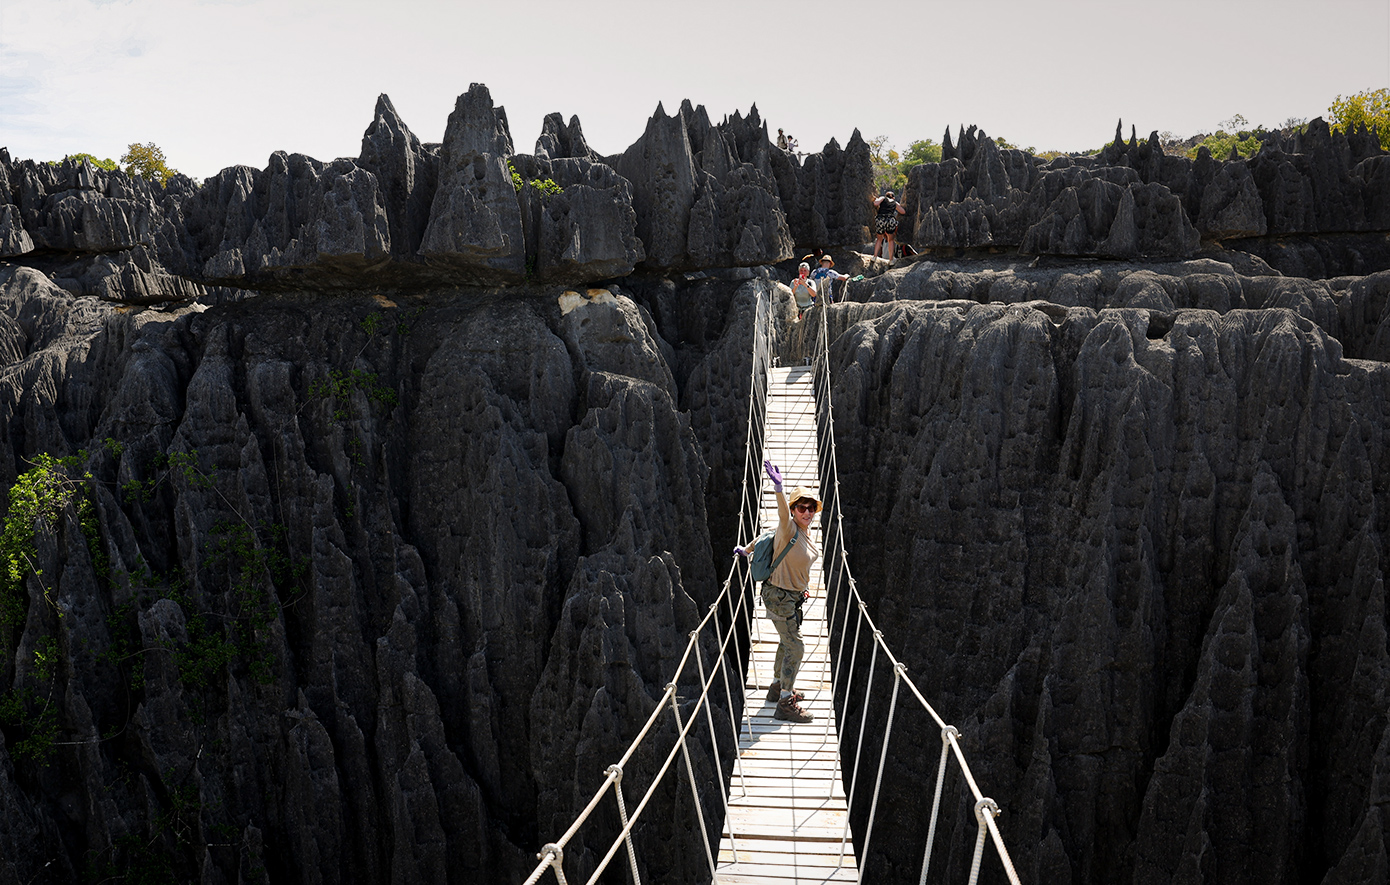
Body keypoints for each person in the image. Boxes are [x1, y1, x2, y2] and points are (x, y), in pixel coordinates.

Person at [735, 460, 821, 723]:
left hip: (791, 599)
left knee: (787, 641)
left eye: (810, 508)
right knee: (796, 648)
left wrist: (747, 549)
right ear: (794, 510)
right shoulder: (789, 527)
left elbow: (765, 537)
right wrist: (779, 489)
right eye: (801, 508)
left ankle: (776, 687)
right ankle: (785, 703)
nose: (807, 512)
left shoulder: (803, 532)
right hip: (780, 597)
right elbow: (780, 519)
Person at [873, 190, 906, 259]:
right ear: (893, 197)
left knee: (879, 239)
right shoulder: (894, 202)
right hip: (890, 220)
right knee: (890, 240)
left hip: (881, 219)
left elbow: (875, 203)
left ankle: (875, 256)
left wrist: (876, 199)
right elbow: (903, 212)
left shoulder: (883, 198)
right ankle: (891, 259)